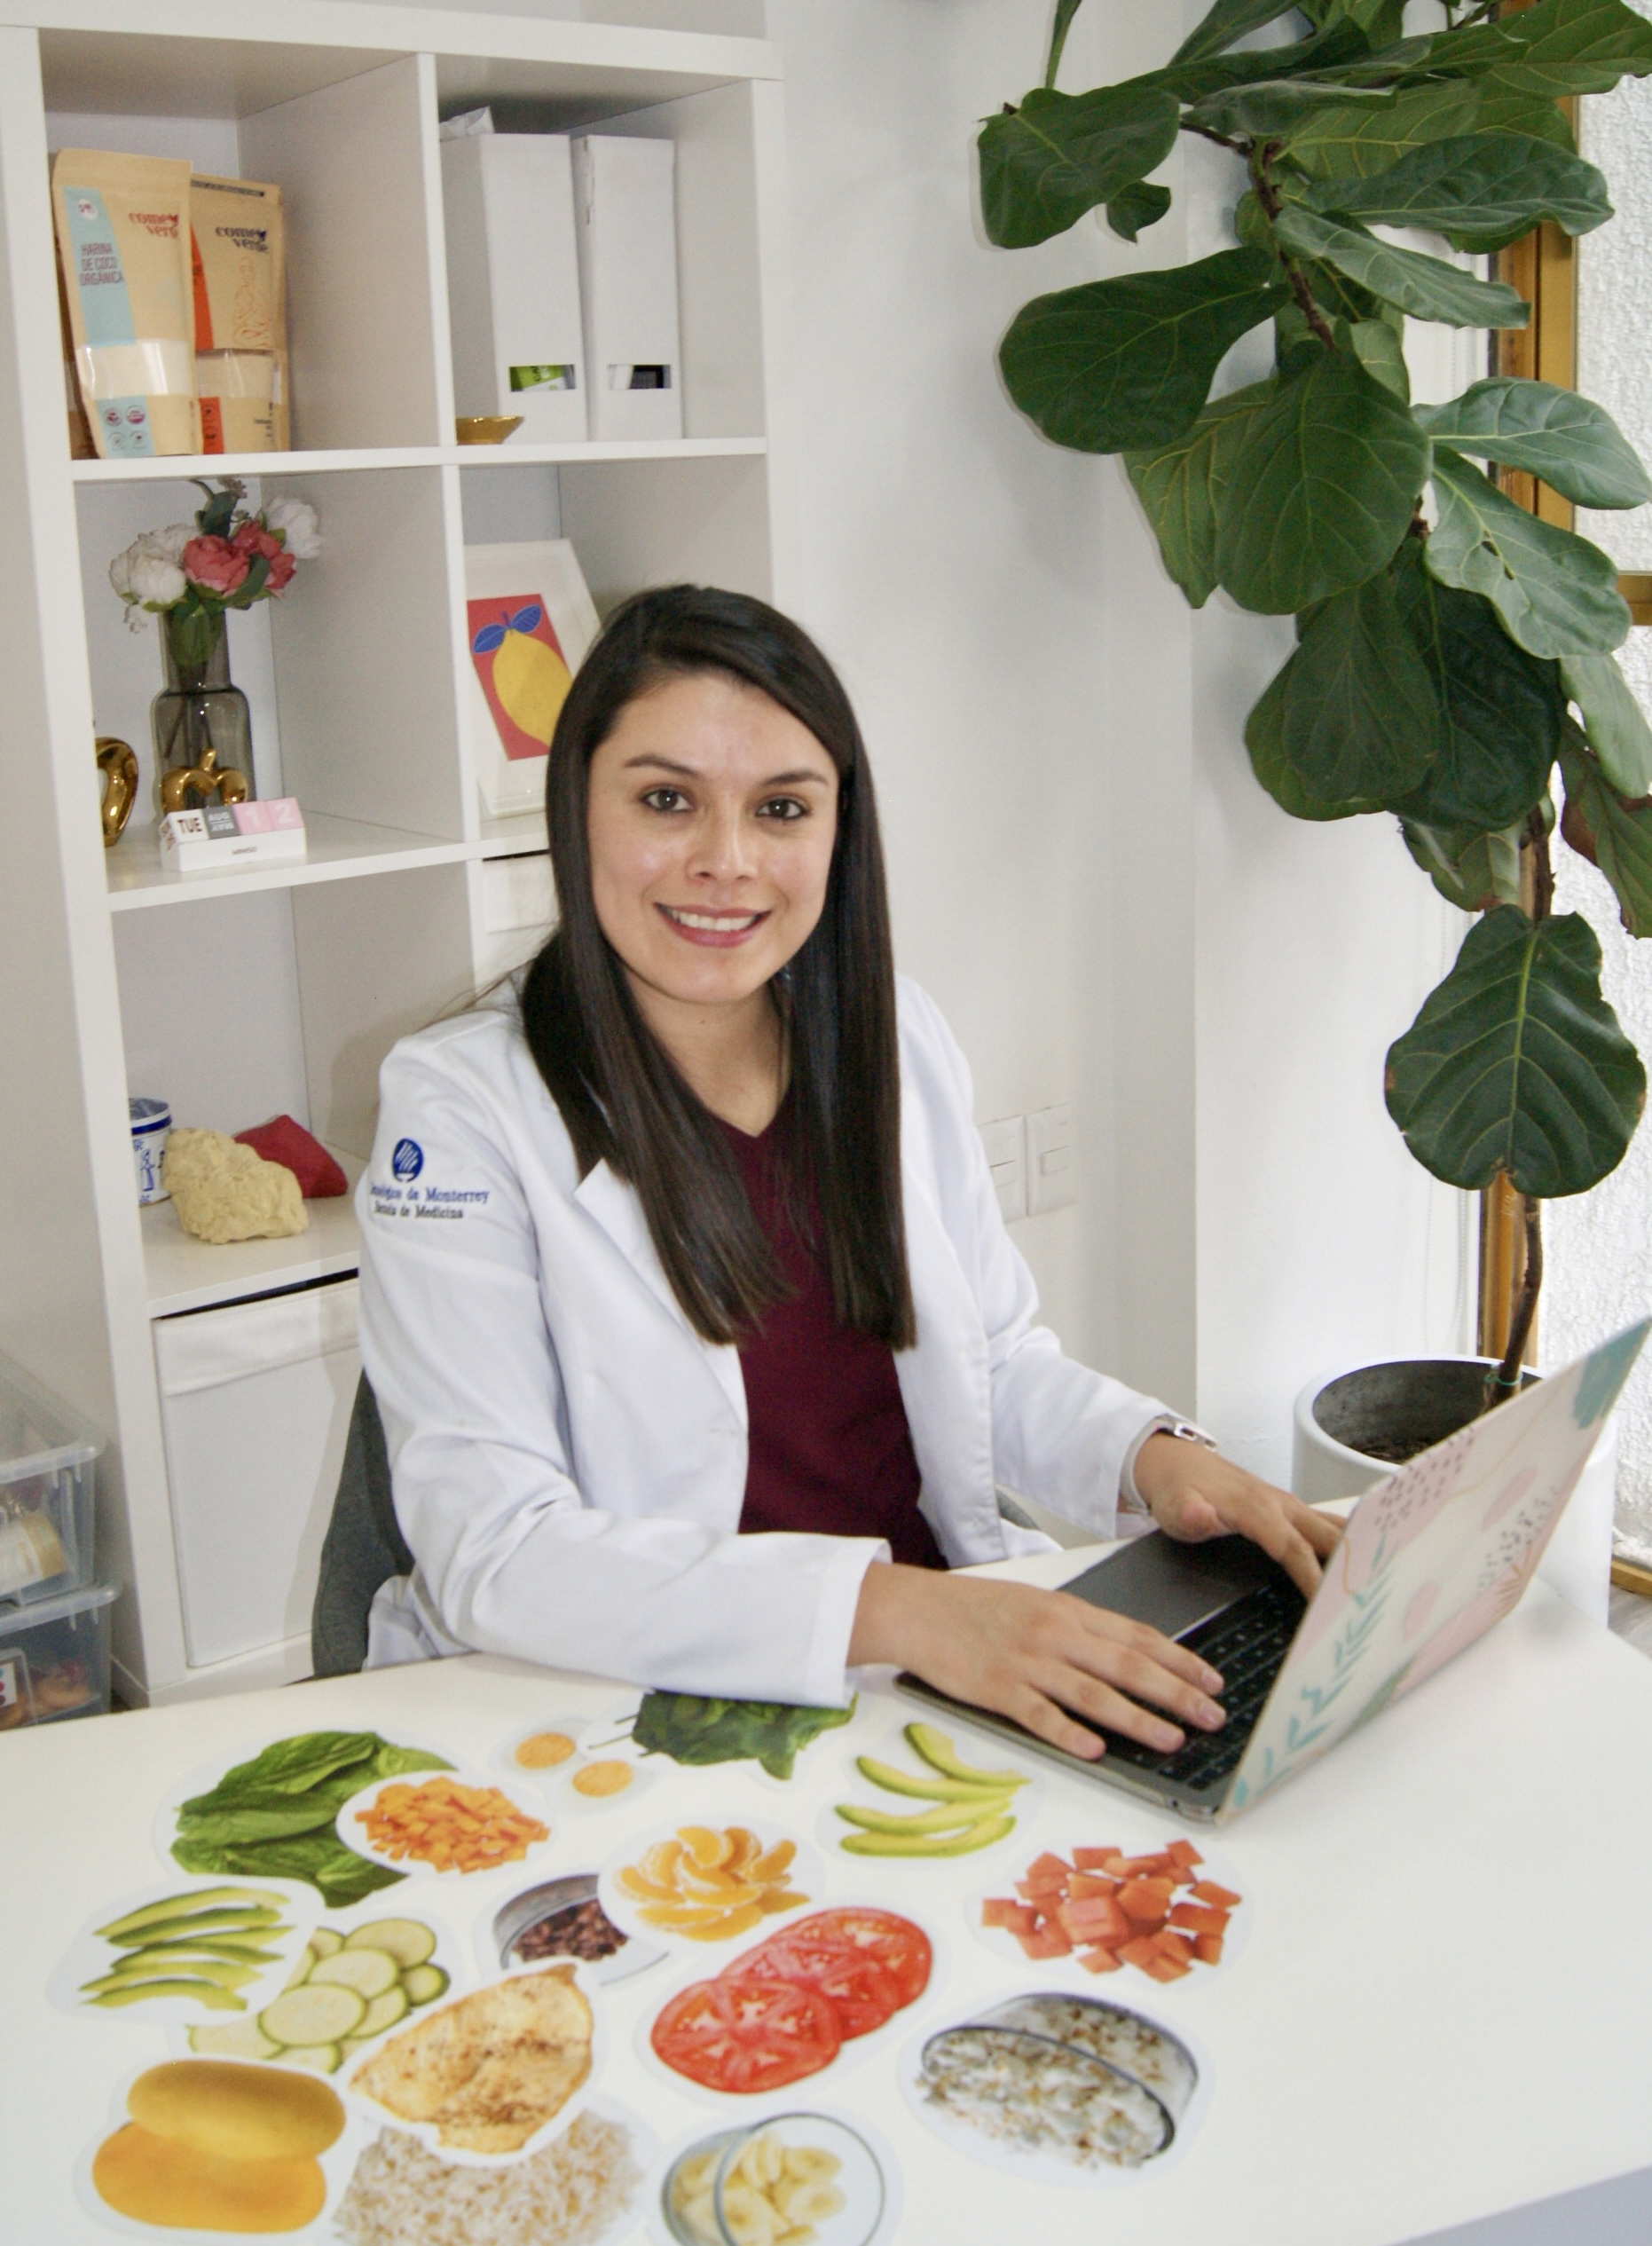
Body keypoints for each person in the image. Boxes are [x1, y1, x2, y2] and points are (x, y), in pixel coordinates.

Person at [358, 586, 1341, 1761]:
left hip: (930, 1672)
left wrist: (1156, 1457)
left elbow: (991, 1361)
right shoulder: (462, 1107)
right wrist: (900, 1611)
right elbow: (498, 1550)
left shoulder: (892, 1037)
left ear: (838, 829)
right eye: (666, 800)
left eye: (780, 808)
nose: (725, 862)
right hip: (656, 1704)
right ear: (575, 809)